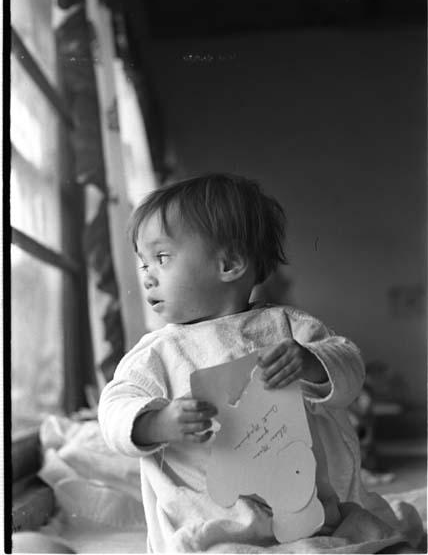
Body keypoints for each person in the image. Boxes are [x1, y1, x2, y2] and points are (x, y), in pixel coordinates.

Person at [98, 173, 416, 553]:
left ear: (229, 262)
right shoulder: (157, 353)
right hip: (214, 527)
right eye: (143, 261)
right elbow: (114, 407)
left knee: (375, 537)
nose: (146, 274)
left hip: (308, 515)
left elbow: (349, 367)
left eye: (161, 257)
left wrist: (312, 362)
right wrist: (154, 422)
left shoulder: (287, 327)